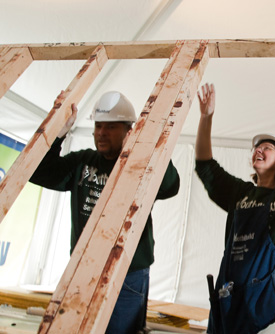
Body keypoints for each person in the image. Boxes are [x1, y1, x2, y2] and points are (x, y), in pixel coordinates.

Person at [30, 91, 180, 334]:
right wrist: (58, 135)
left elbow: (170, 186)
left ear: (128, 130)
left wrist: (150, 145)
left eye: (110, 127)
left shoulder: (141, 167)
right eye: (98, 126)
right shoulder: (83, 161)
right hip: (84, 268)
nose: (101, 132)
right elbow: (38, 172)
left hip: (127, 274)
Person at [195, 83, 275, 334]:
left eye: (268, 147)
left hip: (270, 288)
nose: (259, 150)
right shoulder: (239, 193)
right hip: (232, 289)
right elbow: (205, 166)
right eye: (257, 147)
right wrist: (206, 117)